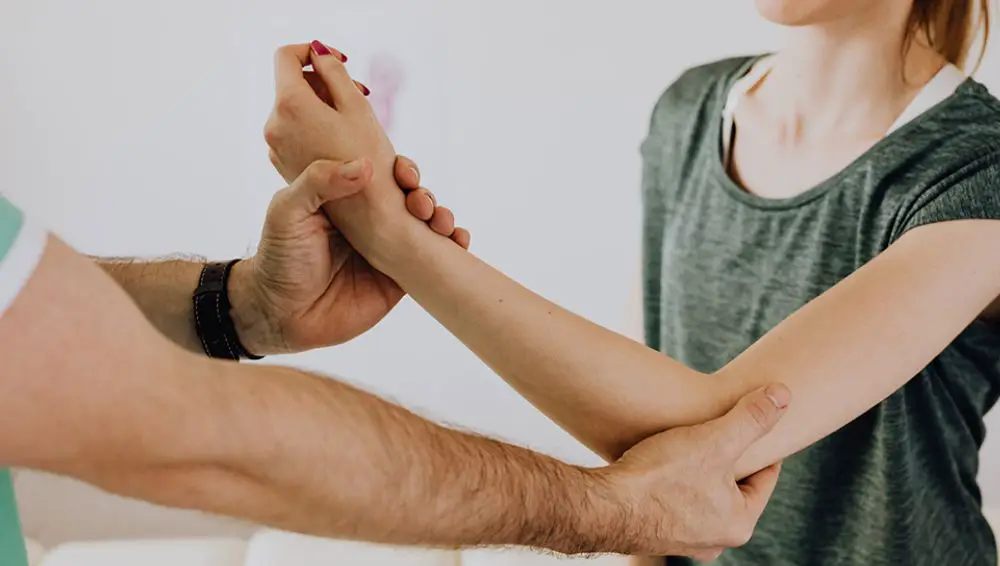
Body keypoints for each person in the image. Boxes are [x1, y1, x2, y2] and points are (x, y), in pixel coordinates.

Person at [268, 0, 1000, 563]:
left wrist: (391, 233)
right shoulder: (691, 110)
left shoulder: (978, 167)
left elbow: (721, 435)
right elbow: (637, 425)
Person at [0, 83, 795, 565]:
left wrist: (241, 305)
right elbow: (190, 434)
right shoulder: (692, 113)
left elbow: (35, 315)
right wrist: (613, 509)